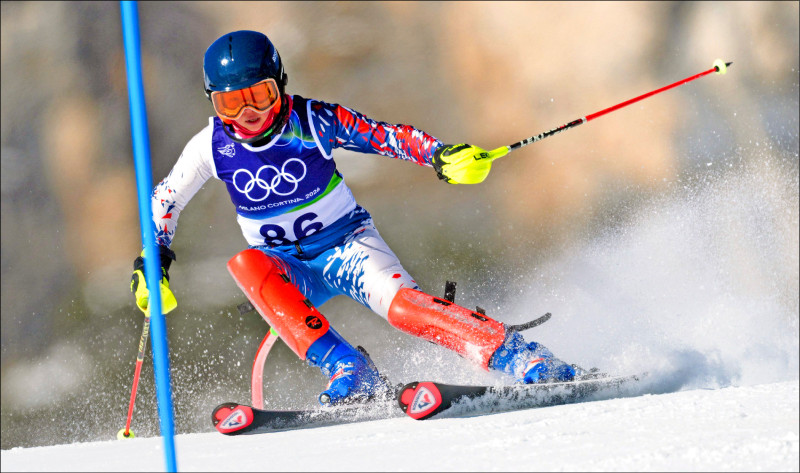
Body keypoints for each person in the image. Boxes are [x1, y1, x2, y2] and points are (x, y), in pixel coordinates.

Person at [130, 30, 580, 406]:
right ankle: (350, 371)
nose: (250, 115)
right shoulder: (209, 147)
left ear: (280, 85)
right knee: (246, 264)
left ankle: (519, 355)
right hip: (288, 268)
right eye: (232, 104)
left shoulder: (312, 120)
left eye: (260, 96)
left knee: (404, 309)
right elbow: (164, 201)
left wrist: (441, 156)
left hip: (348, 247)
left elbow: (387, 136)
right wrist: (153, 259)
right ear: (213, 103)